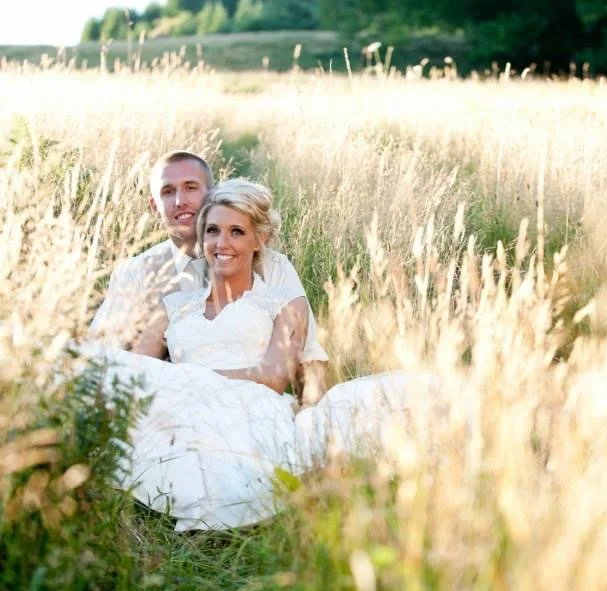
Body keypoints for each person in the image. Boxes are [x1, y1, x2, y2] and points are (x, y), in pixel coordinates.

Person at [80, 179, 461, 532]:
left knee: (408, 397)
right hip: (185, 408)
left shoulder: (282, 303)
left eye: (236, 232)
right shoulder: (175, 306)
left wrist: (198, 378)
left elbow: (275, 375)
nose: (221, 243)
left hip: (254, 409)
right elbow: (142, 369)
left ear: (258, 240)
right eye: (212, 231)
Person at [90, 149, 328, 404]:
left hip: (255, 408)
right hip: (174, 409)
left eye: (191, 188)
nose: (180, 201)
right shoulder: (139, 273)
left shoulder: (274, 267)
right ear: (154, 206)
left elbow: (309, 359)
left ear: (211, 194)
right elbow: (103, 357)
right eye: (167, 192)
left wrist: (313, 425)